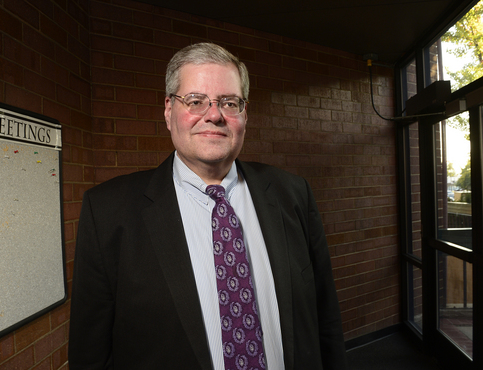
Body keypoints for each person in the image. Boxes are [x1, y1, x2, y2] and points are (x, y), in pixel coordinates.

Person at [68, 42, 347, 370]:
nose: (214, 115)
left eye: (229, 103)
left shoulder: (292, 193)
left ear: (244, 114)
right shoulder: (107, 212)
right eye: (196, 101)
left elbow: (325, 321)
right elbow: (90, 355)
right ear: (169, 110)